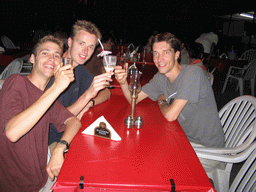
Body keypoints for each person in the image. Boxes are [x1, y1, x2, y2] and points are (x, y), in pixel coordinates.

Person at [115, 32, 225, 149]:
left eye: (166, 52)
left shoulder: (193, 73)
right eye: (156, 53)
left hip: (205, 148)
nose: (159, 59)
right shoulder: (161, 77)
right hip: (180, 137)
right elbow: (133, 99)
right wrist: (123, 82)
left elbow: (170, 115)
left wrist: (162, 100)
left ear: (177, 55)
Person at [0, 35, 81, 191]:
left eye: (57, 56)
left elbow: (73, 121)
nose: (51, 58)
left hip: (43, 179)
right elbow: (12, 132)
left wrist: (59, 148)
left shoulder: (46, 97)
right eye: (45, 53)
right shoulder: (16, 82)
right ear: (32, 59)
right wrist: (57, 87)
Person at [47, 20, 113, 146]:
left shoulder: (80, 69)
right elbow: (57, 122)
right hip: (50, 141)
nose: (85, 51)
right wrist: (87, 95)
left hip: (72, 131)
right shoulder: (51, 70)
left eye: (91, 46)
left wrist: (89, 103)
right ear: (70, 42)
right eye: (81, 43)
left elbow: (106, 92)